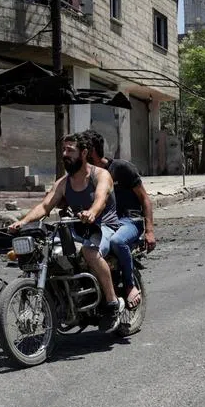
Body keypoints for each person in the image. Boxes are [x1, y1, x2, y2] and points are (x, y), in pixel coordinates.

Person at [7, 133, 124, 331]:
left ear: (84, 153)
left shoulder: (100, 175)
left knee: (89, 252)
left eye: (70, 150)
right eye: (63, 150)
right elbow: (45, 206)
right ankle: (63, 301)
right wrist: (23, 222)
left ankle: (113, 303)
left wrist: (92, 213)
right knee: (49, 252)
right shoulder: (63, 183)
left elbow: (100, 199)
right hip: (76, 228)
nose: (65, 154)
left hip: (104, 226)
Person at [80, 129, 156, 312]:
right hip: (103, 222)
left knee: (117, 241)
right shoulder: (85, 175)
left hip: (130, 220)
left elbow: (144, 198)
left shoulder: (121, 168)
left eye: (83, 151)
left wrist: (150, 230)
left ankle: (129, 285)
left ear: (92, 152)